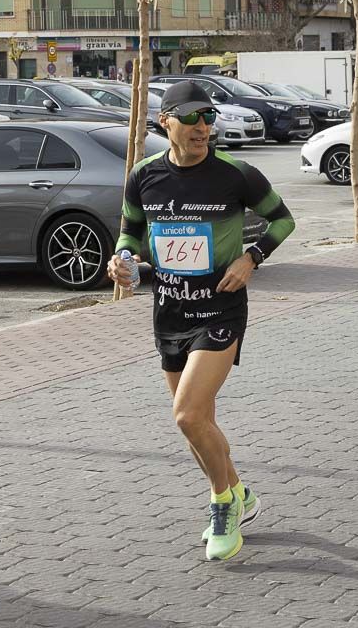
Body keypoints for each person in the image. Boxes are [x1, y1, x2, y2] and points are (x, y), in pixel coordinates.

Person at [108, 81, 296, 561]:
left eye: (208, 118)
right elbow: (130, 233)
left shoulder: (236, 174)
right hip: (169, 309)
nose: (202, 128)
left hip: (220, 308)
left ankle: (223, 506)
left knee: (188, 413)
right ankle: (239, 490)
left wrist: (251, 258)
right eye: (190, 118)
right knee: (197, 424)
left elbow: (282, 221)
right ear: (165, 121)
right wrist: (122, 259)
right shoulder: (144, 176)